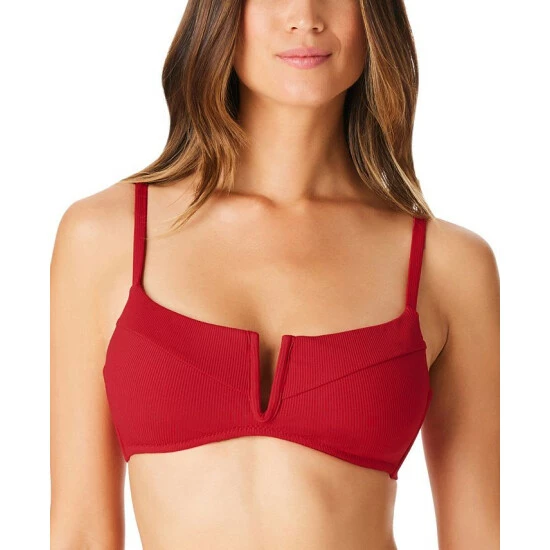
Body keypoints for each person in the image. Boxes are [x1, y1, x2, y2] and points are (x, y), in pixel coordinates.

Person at [50, 1, 500, 548]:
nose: (305, 15)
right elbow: (80, 531)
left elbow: (478, 536)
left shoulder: (450, 266)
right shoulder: (104, 237)